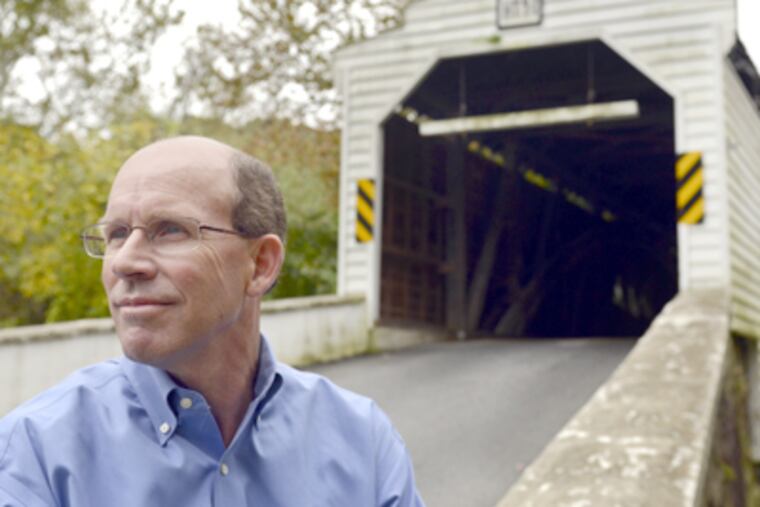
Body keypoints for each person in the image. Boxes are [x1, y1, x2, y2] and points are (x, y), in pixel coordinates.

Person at [0, 136, 424, 506]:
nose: (125, 262)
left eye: (169, 230)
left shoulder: (362, 442)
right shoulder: (35, 452)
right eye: (115, 234)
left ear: (260, 264)